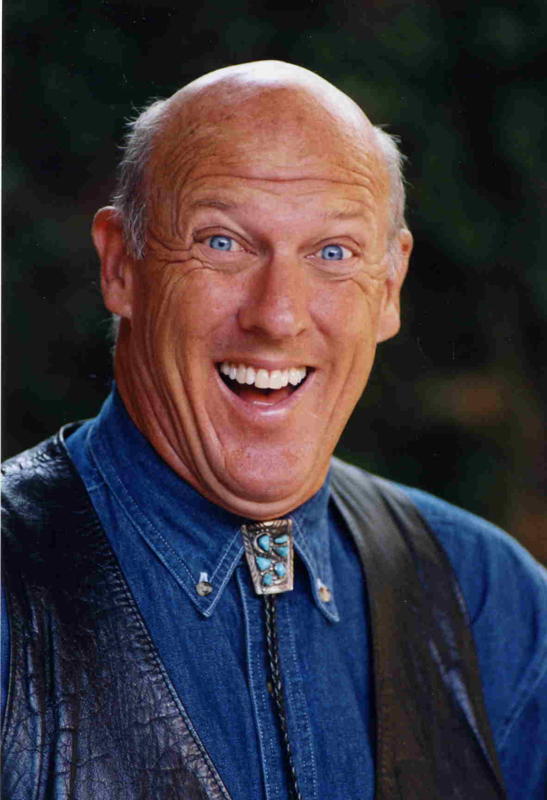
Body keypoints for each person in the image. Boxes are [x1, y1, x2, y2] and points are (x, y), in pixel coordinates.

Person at [2, 61, 546, 800]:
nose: (278, 315)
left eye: (333, 253)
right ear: (121, 265)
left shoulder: (490, 598)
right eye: (223, 243)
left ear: (388, 287)